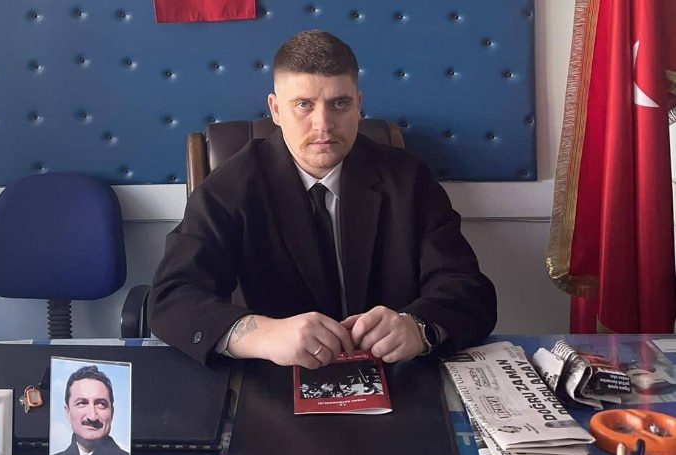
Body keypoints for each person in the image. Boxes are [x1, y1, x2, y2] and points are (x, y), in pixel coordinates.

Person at [149, 29, 497, 368]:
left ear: (358, 105)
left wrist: (417, 328)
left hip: (395, 374)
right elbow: (171, 299)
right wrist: (263, 334)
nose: (323, 125)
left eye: (339, 104)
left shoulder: (408, 179)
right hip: (274, 380)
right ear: (276, 110)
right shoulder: (229, 188)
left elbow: (468, 289)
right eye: (304, 105)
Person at [50, 365, 129, 455]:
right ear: (68, 412)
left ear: (112, 412)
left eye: (101, 404)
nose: (92, 416)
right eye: (82, 403)